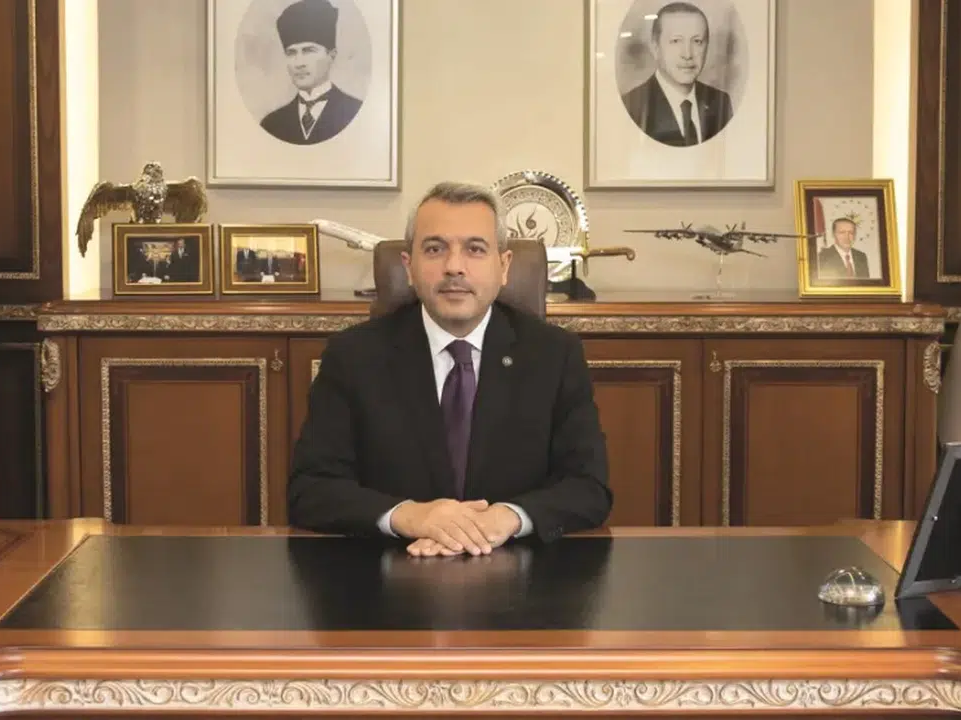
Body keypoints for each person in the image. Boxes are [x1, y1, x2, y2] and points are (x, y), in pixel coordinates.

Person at [287, 181, 612, 556]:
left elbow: (589, 487)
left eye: (475, 249)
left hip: (520, 569)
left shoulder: (554, 355)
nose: (454, 267)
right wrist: (408, 516)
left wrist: (508, 517)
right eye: (434, 249)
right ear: (408, 267)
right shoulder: (353, 356)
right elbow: (310, 489)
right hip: (388, 571)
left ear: (504, 266)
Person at [621, 1, 733, 147]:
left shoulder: (720, 102)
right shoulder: (633, 106)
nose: (687, 54)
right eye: (676, 41)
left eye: (697, 41)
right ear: (655, 47)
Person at [260, 0, 363, 145]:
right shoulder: (271, 124)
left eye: (309, 51)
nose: (299, 63)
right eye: (291, 53)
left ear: (331, 56)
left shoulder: (355, 112)